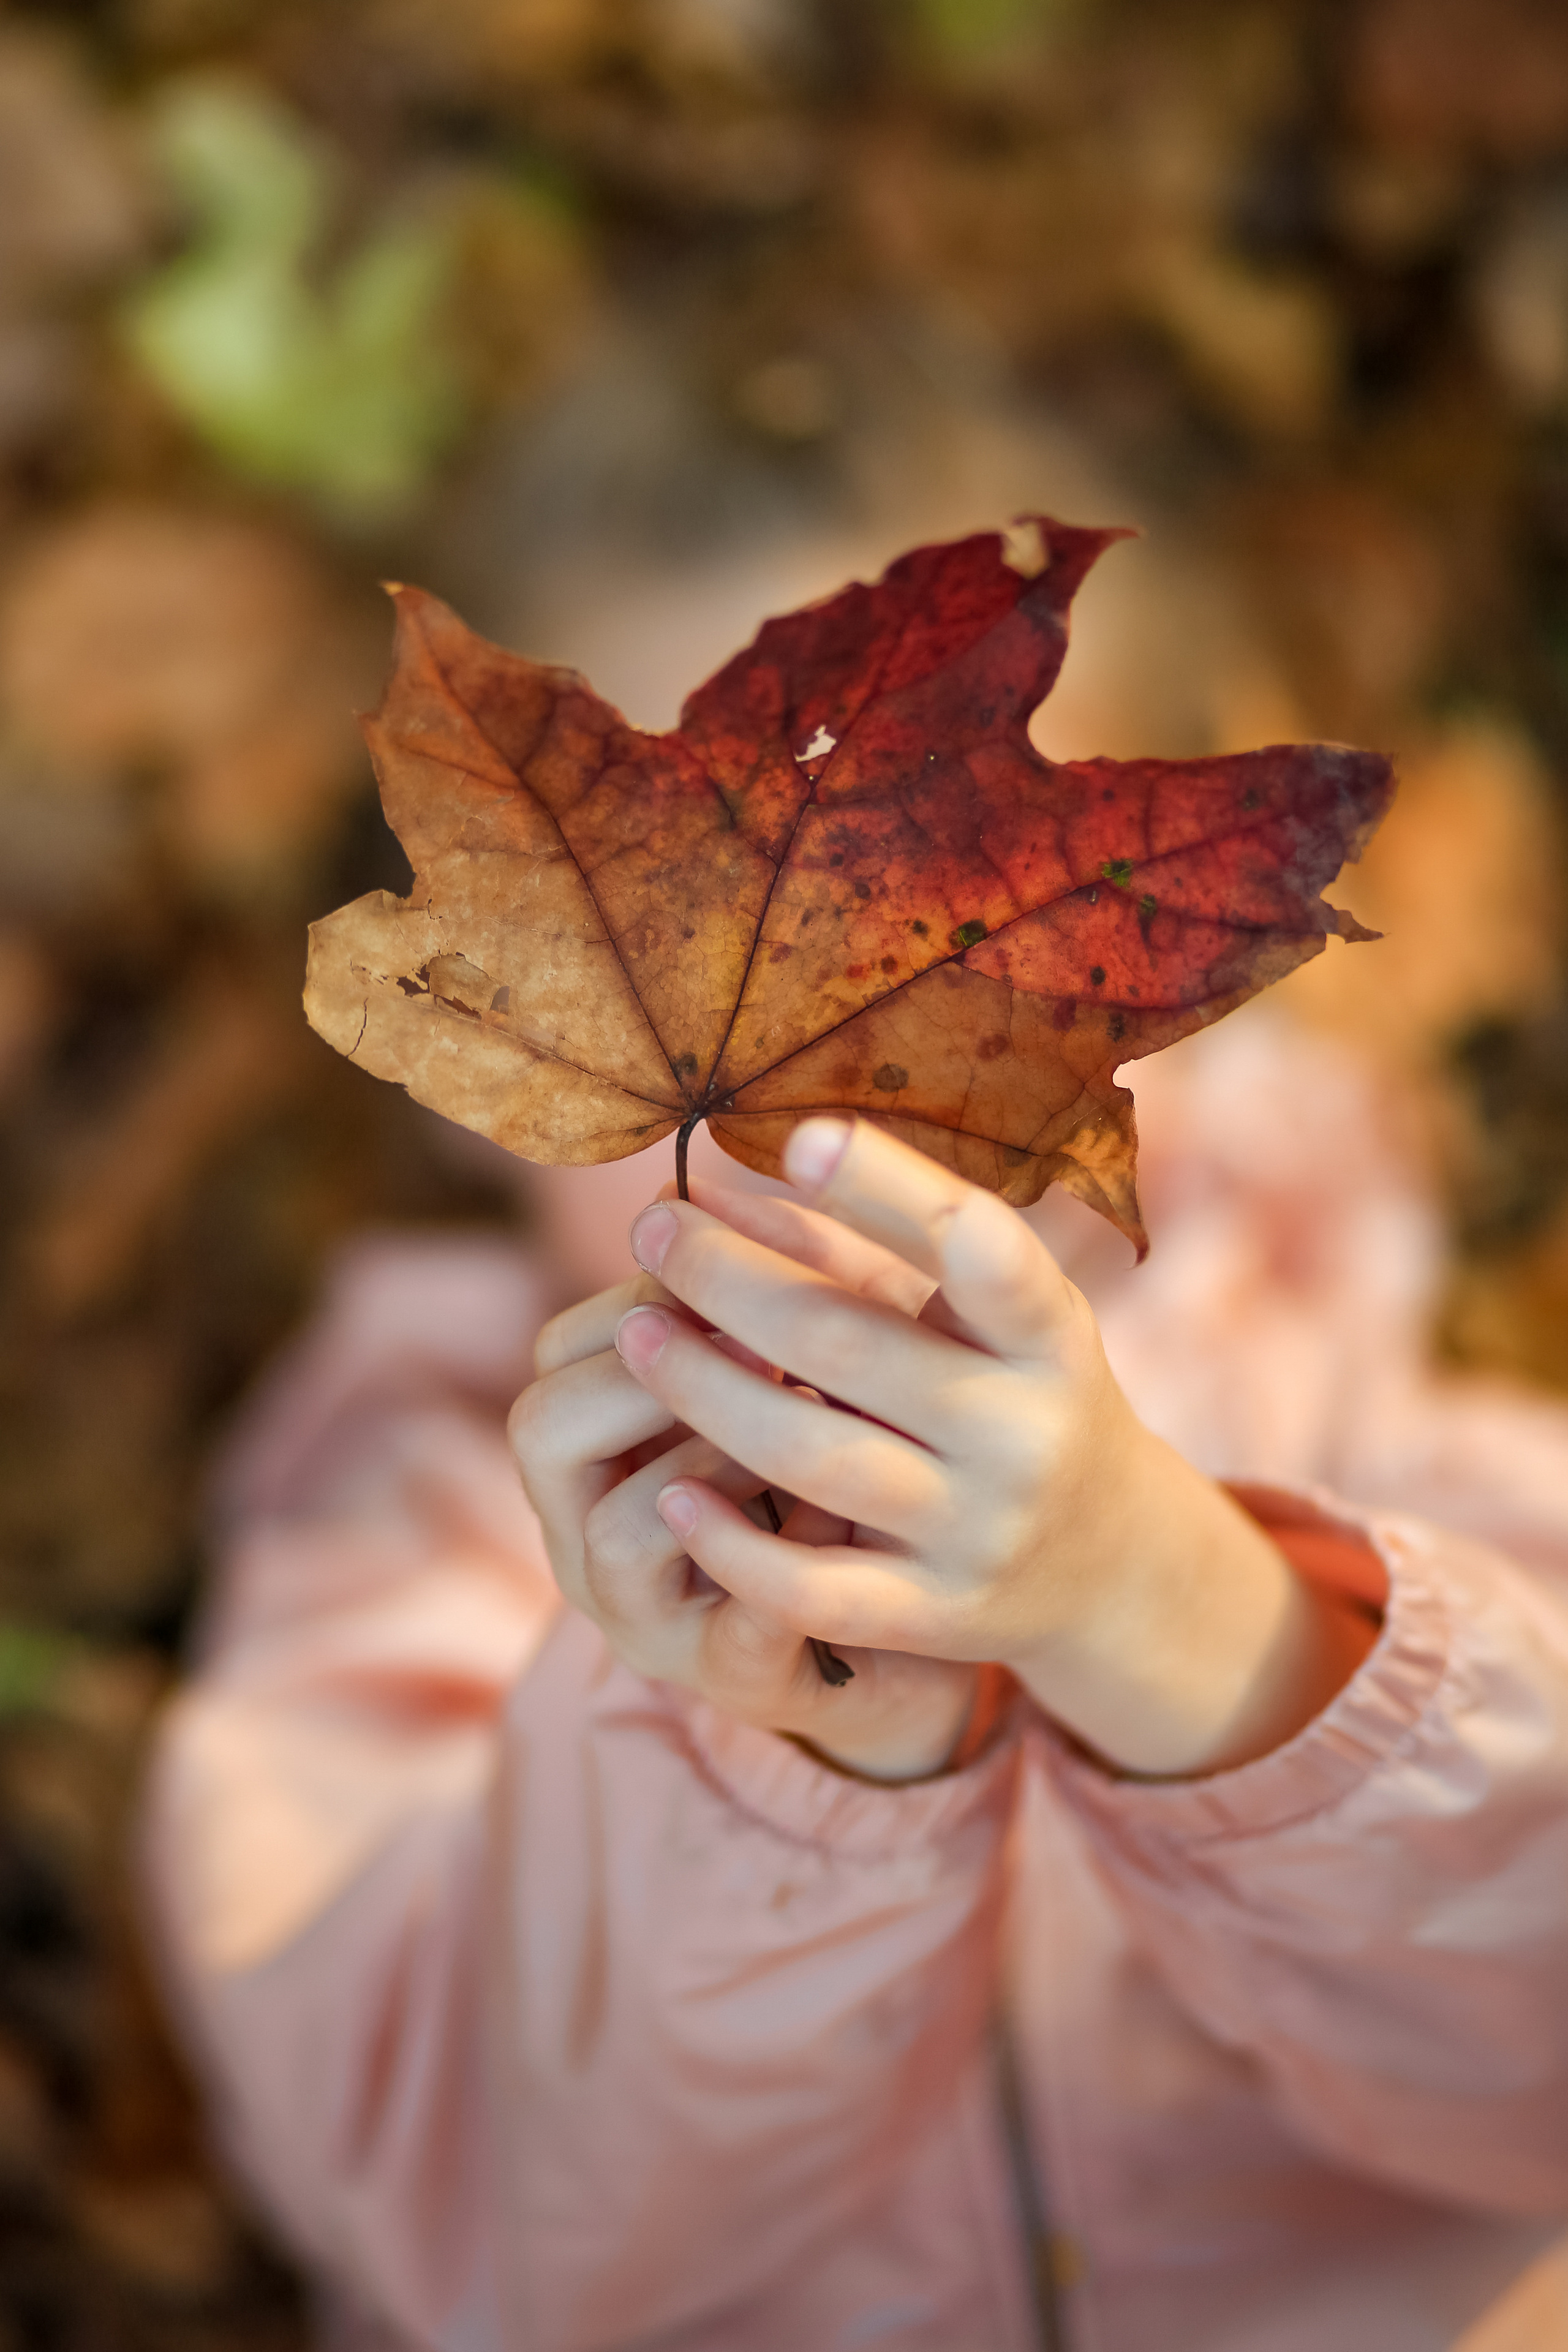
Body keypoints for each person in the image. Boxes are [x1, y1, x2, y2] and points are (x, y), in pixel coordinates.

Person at [141, 1013, 1568, 2352]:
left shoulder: (1385, 1442)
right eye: (691, 981)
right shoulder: (413, 1519)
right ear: (475, 1065)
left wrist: (1170, 1600)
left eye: (933, 933)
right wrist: (787, 1761)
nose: (824, 1051)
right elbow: (474, 2193)